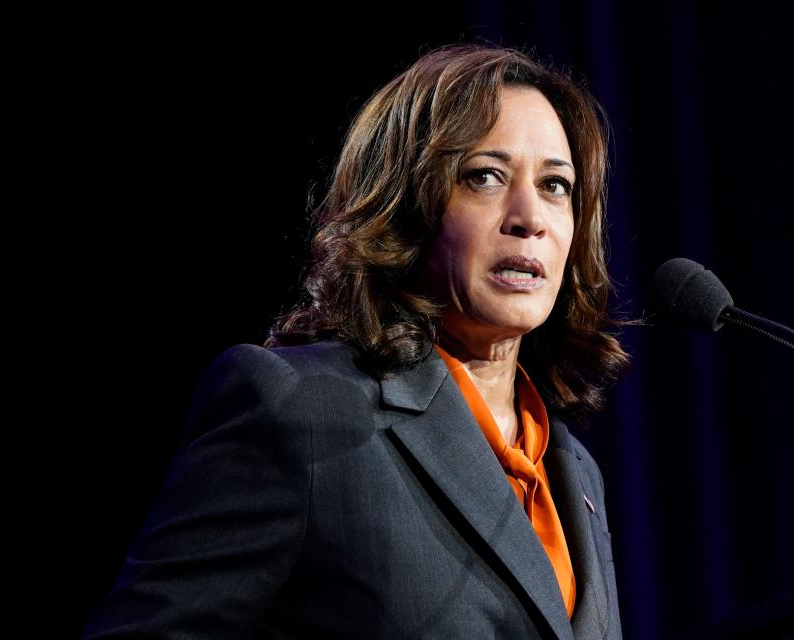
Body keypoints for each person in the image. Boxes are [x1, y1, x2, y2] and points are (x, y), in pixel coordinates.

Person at [83, 42, 630, 639]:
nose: (530, 216)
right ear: (406, 205)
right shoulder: (301, 409)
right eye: (484, 177)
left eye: (556, 185)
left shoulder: (577, 474)